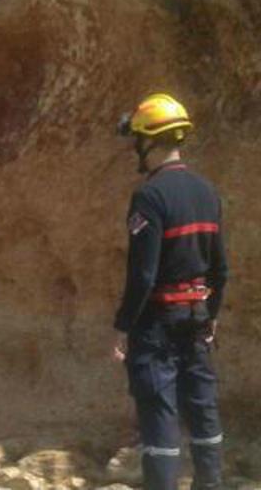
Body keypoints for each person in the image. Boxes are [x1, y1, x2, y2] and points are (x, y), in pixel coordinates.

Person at [113, 93, 227, 490]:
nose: (136, 150)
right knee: (202, 409)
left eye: (137, 141)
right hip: (196, 318)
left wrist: (123, 325)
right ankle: (210, 484)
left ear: (150, 141)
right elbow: (220, 268)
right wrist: (211, 315)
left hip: (157, 324)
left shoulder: (150, 196)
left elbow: (142, 274)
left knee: (159, 415)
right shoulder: (207, 192)